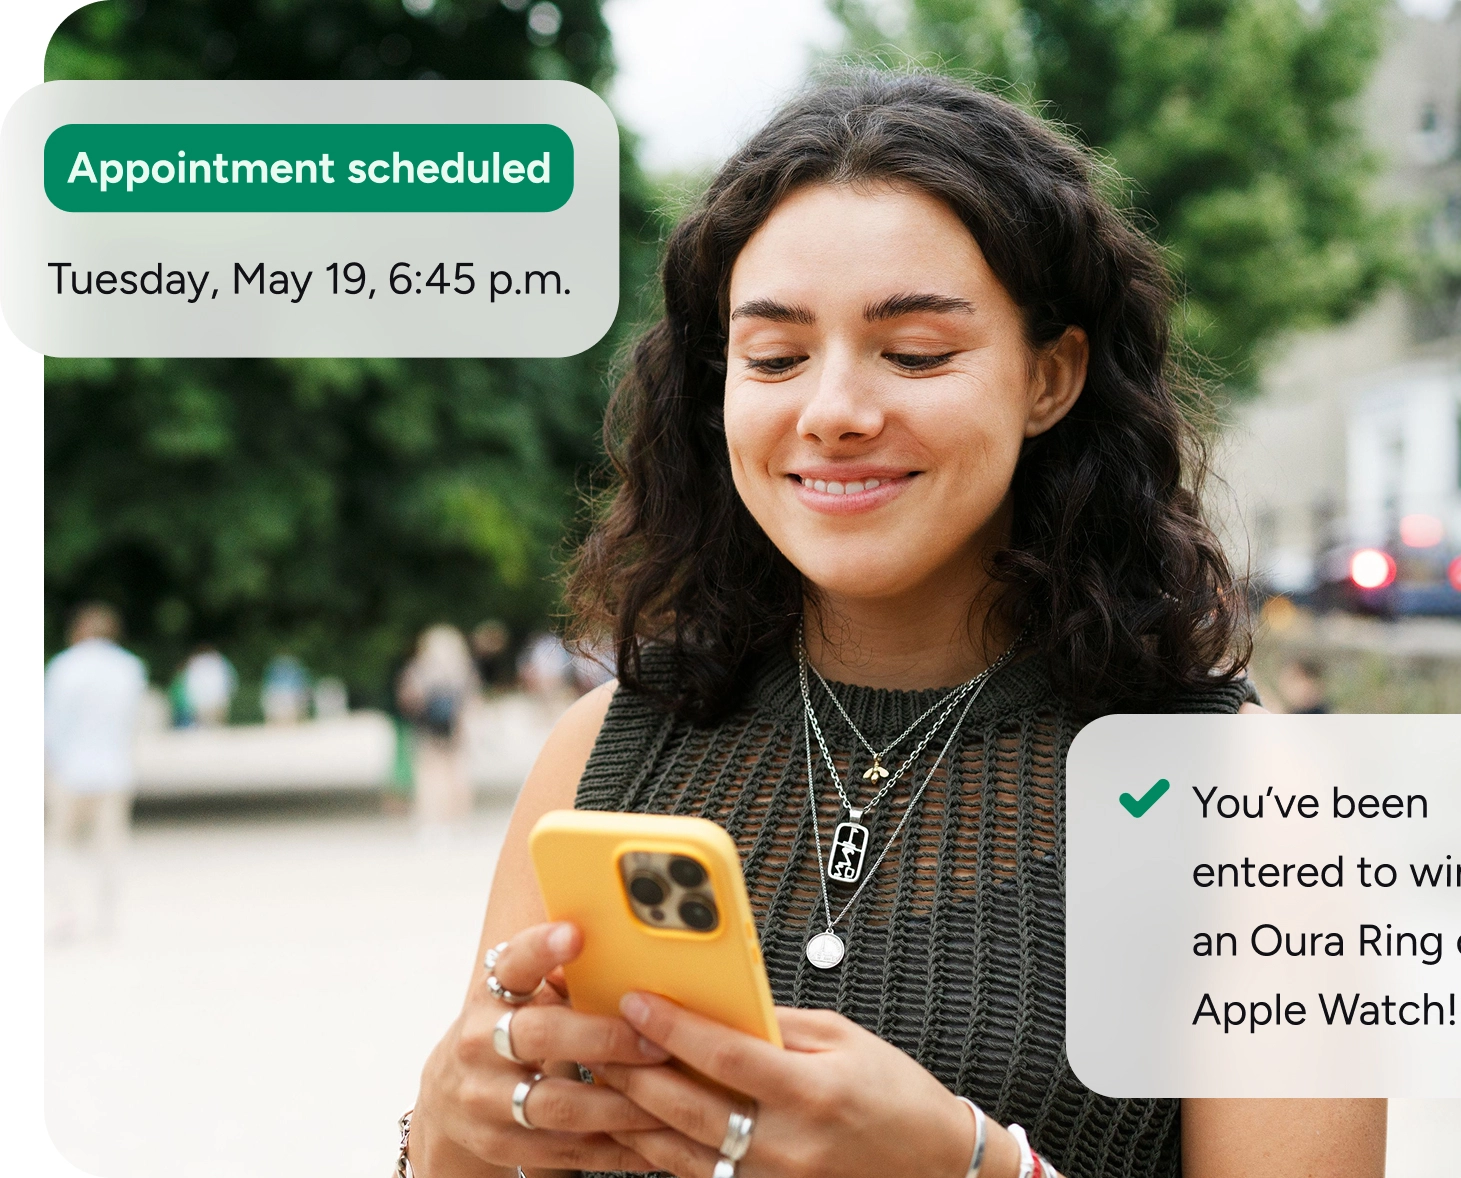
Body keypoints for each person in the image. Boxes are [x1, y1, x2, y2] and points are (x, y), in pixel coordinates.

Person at [406, 73, 1385, 1178]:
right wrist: (442, 1135)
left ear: (1050, 377)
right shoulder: (602, 751)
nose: (832, 410)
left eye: (915, 352)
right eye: (773, 358)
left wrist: (966, 1164)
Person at [43, 602, 147, 940]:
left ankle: (65, 913)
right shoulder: (129, 668)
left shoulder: (63, 667)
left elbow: (51, 724)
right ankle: (107, 917)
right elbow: (133, 722)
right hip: (114, 770)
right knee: (110, 849)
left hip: (69, 769)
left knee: (61, 845)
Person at [399, 623, 482, 831]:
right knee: (458, 774)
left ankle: (433, 821)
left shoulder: (420, 669)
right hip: (456, 728)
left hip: (427, 729)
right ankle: (459, 820)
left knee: (429, 775)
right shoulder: (463, 669)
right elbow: (473, 702)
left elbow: (409, 699)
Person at [177, 644, 236, 727]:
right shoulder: (219, 661)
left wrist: (191, 701)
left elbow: (190, 684)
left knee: (205, 726)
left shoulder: (195, 663)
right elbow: (230, 680)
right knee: (218, 726)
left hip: (201, 701)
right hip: (217, 699)